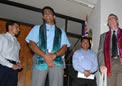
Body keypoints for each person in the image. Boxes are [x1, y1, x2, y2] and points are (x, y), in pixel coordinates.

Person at [25, 6, 70, 86]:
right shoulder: (37, 28)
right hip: (40, 57)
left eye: (49, 13)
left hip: (57, 59)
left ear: (54, 16)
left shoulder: (61, 32)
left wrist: (54, 55)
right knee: (37, 83)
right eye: (45, 13)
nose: (47, 14)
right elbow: (32, 44)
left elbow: (64, 47)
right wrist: (45, 56)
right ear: (43, 17)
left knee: (57, 84)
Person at [98, 13, 122, 86]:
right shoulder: (103, 36)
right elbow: (100, 51)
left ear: (117, 21)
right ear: (108, 23)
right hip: (109, 64)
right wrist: (102, 64)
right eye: (109, 19)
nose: (111, 20)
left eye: (113, 18)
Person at [0, 21, 22, 86]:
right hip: (2, 66)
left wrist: (18, 64)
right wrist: (10, 65)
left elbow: (16, 57)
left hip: (14, 68)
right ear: (10, 27)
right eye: (17, 27)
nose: (19, 29)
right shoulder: (1, 37)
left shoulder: (17, 43)